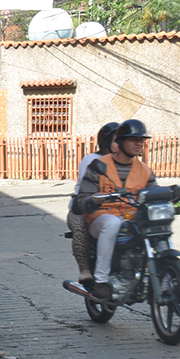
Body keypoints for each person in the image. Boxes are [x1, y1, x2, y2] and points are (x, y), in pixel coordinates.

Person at [76, 119, 158, 304]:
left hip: (131, 217)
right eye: (133, 139)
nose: (139, 143)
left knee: (154, 223)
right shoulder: (99, 165)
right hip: (101, 218)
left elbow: (153, 191)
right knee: (113, 223)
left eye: (141, 140)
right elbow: (83, 196)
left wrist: (178, 190)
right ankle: (102, 281)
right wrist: (92, 199)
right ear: (120, 142)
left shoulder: (144, 170)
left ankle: (152, 271)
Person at [68, 122, 118, 289]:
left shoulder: (126, 161)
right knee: (80, 226)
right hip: (83, 208)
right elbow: (87, 186)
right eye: (116, 141)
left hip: (117, 208)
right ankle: (85, 271)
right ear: (106, 143)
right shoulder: (92, 160)